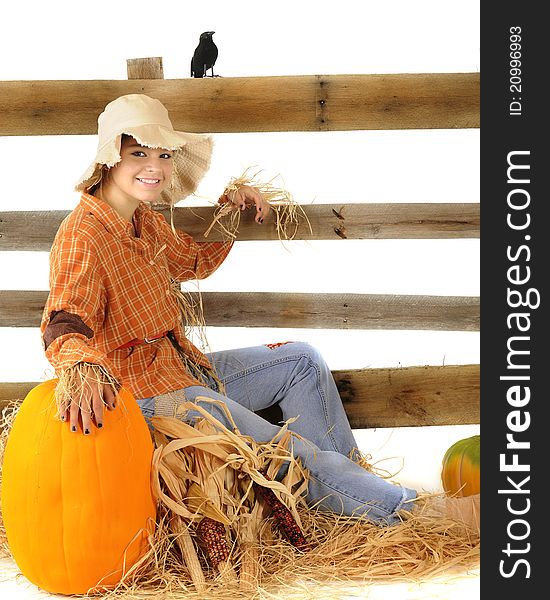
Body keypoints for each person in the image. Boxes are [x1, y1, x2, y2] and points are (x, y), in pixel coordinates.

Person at [41, 93, 479, 531]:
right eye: (138, 153)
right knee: (284, 449)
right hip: (149, 400)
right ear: (108, 160)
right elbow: (64, 320)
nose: (154, 167)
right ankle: (414, 513)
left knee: (300, 360)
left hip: (180, 369)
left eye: (163, 155)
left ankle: (353, 496)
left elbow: (193, 262)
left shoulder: (143, 219)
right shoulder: (83, 234)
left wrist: (232, 209)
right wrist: (81, 368)